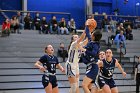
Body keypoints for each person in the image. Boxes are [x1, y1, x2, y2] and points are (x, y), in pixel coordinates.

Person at [79, 19, 102, 93]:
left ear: (94, 36)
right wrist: (87, 25)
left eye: (93, 33)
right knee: (89, 88)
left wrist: (84, 50)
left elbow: (94, 53)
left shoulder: (96, 45)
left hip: (93, 67)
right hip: (90, 66)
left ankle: (104, 90)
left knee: (84, 85)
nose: (91, 34)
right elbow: (87, 33)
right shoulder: (91, 41)